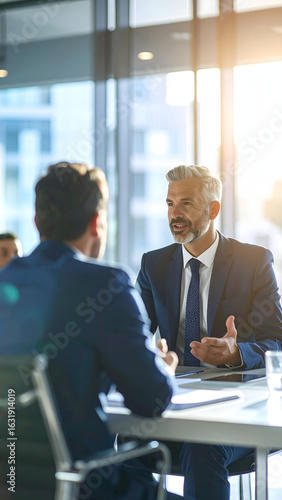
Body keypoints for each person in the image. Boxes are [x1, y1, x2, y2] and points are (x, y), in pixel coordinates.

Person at [0, 161, 189, 500]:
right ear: (97, 223)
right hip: (83, 484)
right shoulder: (106, 285)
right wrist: (163, 366)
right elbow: (154, 399)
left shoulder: (6, 281)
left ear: (36, 223)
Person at [137, 164, 282, 500]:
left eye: (186, 203)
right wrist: (151, 355)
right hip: (175, 402)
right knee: (126, 444)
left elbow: (277, 342)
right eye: (170, 204)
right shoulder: (153, 265)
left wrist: (237, 353)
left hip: (238, 409)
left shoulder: (254, 261)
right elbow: (132, 333)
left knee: (202, 447)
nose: (175, 213)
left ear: (213, 209)